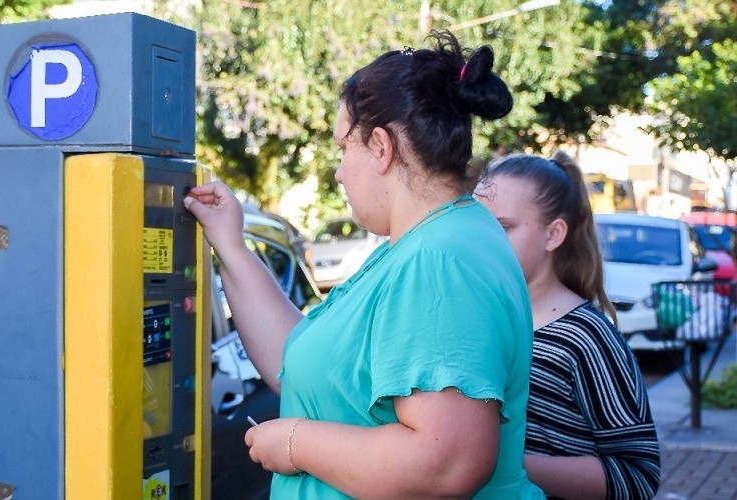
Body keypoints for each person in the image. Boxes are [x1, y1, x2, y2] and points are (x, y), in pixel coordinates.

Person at [184, 31, 544, 498]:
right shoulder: (422, 244)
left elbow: (445, 462)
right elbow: (299, 364)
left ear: (380, 147)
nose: (337, 171)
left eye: (342, 148)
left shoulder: (439, 260)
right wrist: (230, 246)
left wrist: (294, 444)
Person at [474, 151, 661, 499]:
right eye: (477, 226)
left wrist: (501, 464)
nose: (483, 240)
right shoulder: (474, 318)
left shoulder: (586, 337)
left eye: (502, 227)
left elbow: (639, 475)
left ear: (553, 234)